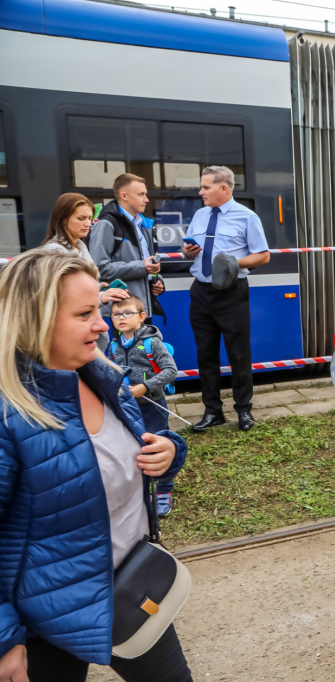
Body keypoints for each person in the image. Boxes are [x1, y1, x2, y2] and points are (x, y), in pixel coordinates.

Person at [0, 250, 191, 682]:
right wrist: (4, 639)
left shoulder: (105, 378)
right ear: (35, 320)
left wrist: (168, 452)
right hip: (46, 621)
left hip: (131, 586)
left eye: (99, 311)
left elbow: (128, 459)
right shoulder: (8, 414)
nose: (104, 325)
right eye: (84, 314)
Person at [181, 166, 269, 432]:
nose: (201, 192)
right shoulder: (200, 215)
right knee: (205, 354)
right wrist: (188, 251)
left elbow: (263, 255)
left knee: (238, 354)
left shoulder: (247, 217)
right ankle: (213, 411)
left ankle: (244, 410)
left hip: (232, 291)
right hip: (201, 292)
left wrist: (233, 263)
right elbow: (188, 252)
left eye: (205, 187)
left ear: (223, 188)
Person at [110, 293, 179, 516]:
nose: (121, 318)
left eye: (127, 313)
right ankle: (139, 489)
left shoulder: (152, 343)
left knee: (157, 446)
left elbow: (171, 371)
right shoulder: (113, 345)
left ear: (142, 316)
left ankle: (164, 489)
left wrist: (146, 387)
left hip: (152, 406)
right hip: (126, 408)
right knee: (132, 448)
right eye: (116, 314)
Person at [41, 192, 131, 352]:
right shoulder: (55, 251)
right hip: (70, 337)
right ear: (63, 219)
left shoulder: (80, 247)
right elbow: (60, 297)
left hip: (83, 333)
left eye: (90, 218)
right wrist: (100, 297)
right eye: (81, 218)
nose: (88, 223)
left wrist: (98, 287)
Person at [90, 174, 165, 322]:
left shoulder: (144, 224)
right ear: (124, 196)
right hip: (121, 312)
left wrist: (157, 281)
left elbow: (146, 262)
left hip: (141, 308)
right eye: (141, 194)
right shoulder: (106, 224)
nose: (146, 199)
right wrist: (142, 267)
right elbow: (99, 269)